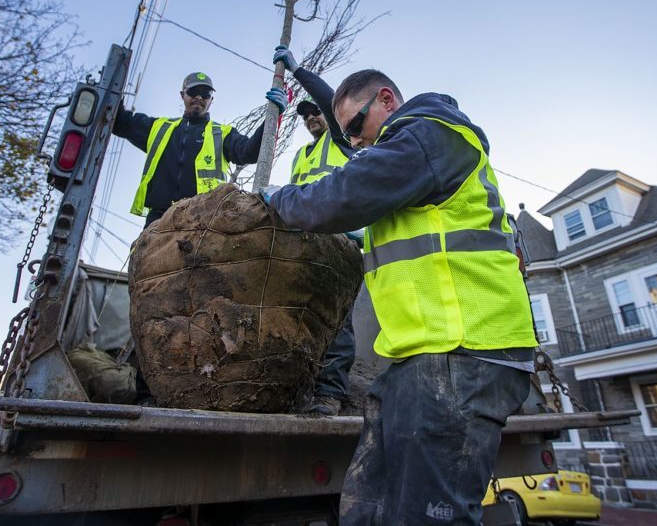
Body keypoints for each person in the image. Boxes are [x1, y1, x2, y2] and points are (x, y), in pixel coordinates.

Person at [263, 66, 537, 525]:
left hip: (463, 352)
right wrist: (301, 73)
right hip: (423, 357)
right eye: (345, 135)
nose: (353, 143)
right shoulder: (408, 153)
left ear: (388, 101)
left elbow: (341, 195)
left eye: (356, 128)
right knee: (367, 508)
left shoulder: (428, 136)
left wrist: (279, 197)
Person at [274, 46, 356, 416]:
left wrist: (297, 71)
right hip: (305, 243)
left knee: (335, 319)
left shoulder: (340, 141)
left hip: (339, 242)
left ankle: (329, 394)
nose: (311, 118)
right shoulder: (300, 157)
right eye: (305, 116)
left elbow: (328, 96)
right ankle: (302, 389)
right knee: (300, 318)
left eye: (316, 113)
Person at [113, 71, 287, 227]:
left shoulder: (222, 133)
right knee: (145, 261)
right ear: (182, 95)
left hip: (203, 218)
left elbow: (249, 152)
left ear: (212, 100)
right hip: (159, 218)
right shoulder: (158, 128)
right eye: (193, 92)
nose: (199, 97)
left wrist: (272, 116)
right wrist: (114, 83)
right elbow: (119, 122)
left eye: (205, 94)